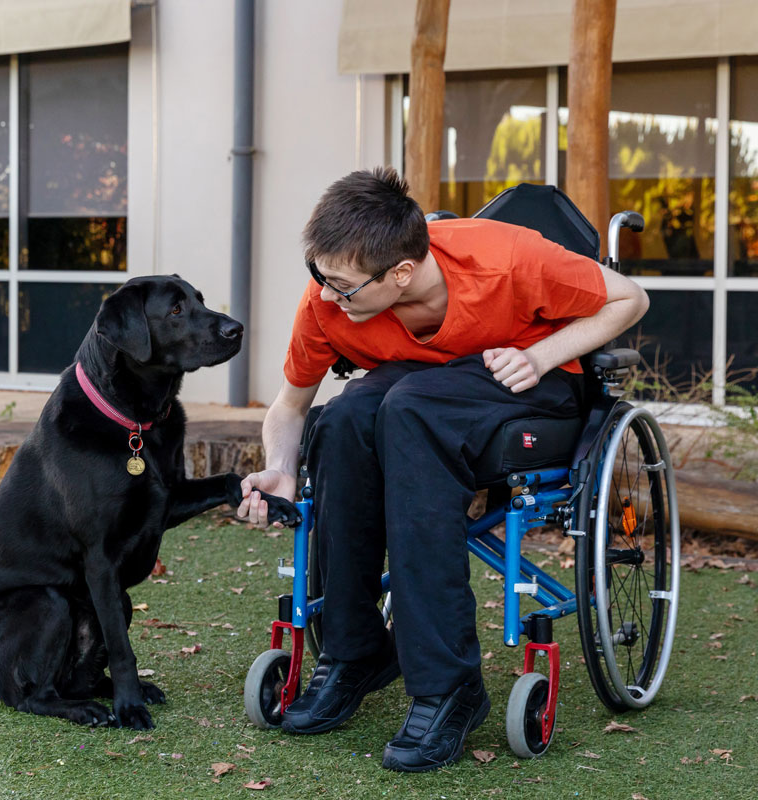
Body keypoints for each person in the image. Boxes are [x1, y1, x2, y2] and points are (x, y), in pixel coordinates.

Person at [236, 167, 649, 772]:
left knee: (410, 410)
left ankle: (449, 687)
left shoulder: (507, 259)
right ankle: (354, 652)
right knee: (344, 419)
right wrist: (279, 466)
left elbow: (631, 298)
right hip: (422, 391)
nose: (326, 296)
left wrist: (539, 356)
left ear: (401, 273)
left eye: (343, 287)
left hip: (527, 381)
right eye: (319, 276)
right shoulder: (328, 296)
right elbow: (290, 406)